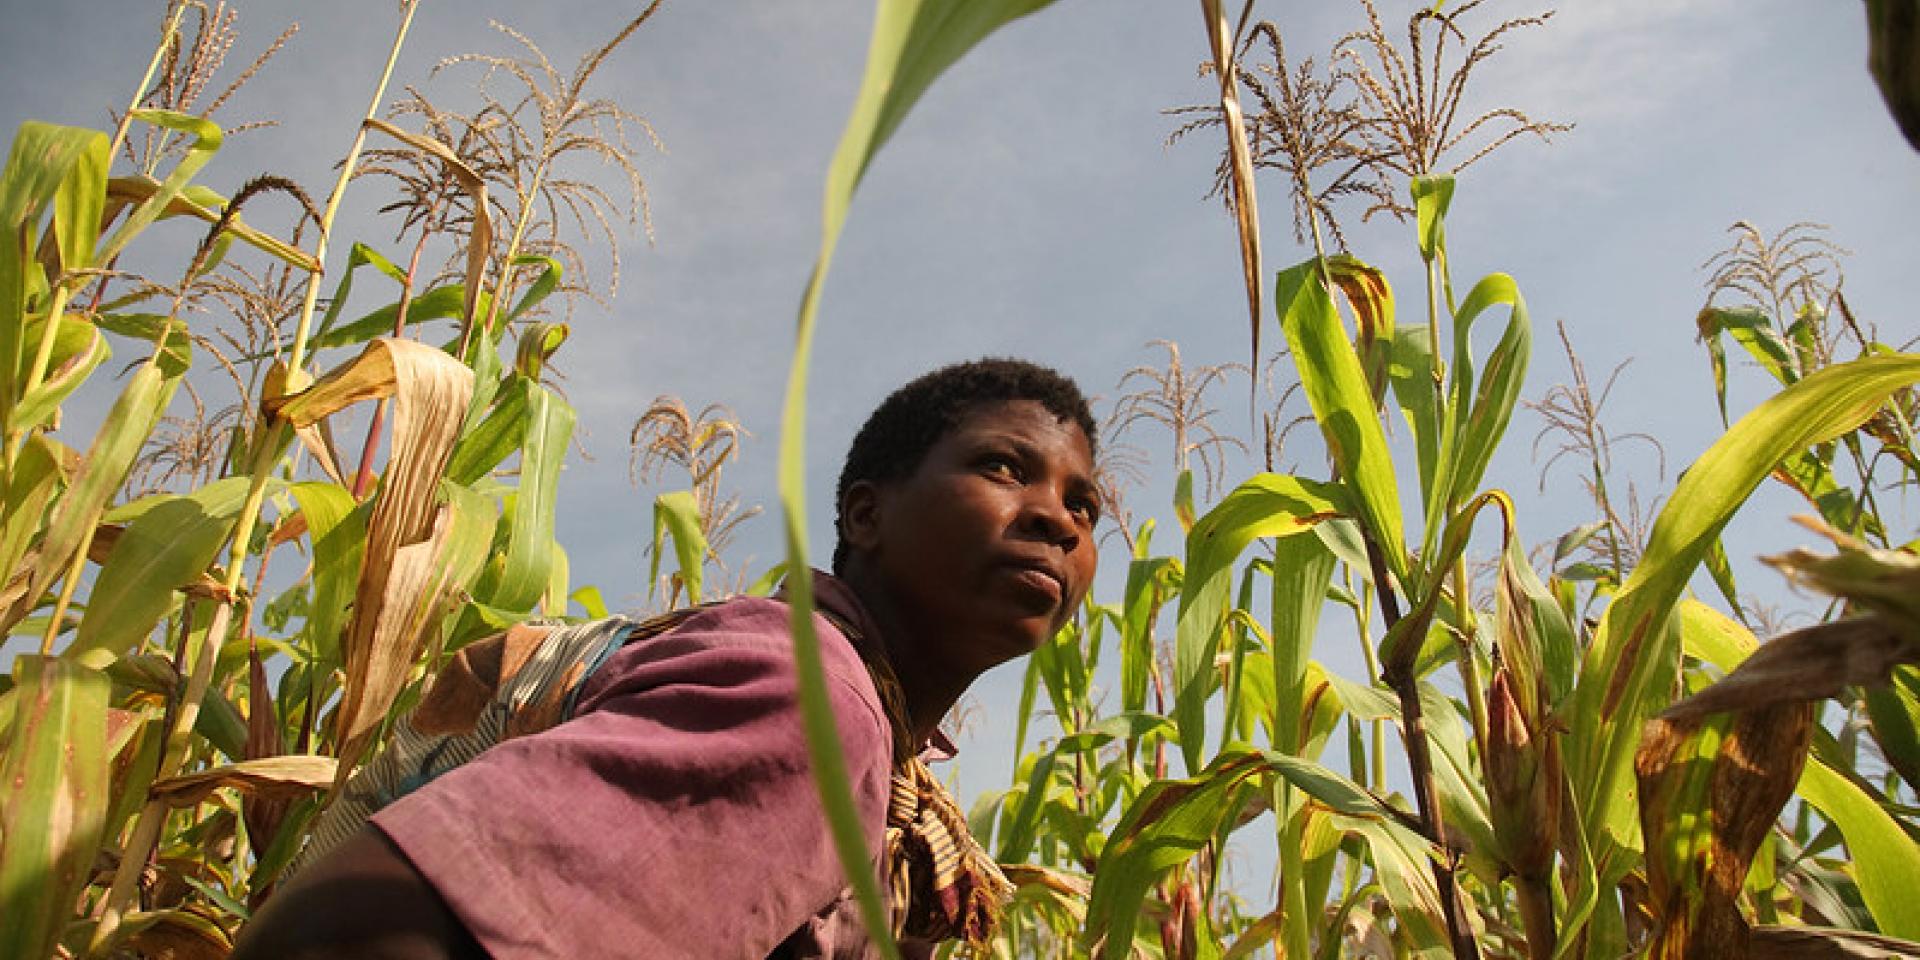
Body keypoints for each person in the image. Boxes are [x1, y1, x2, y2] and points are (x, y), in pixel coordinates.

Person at [232, 358, 1102, 960]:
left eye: (1085, 506)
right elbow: (346, 932)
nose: (1058, 520)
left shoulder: (872, 751)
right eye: (1002, 467)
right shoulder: (807, 700)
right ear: (866, 517)